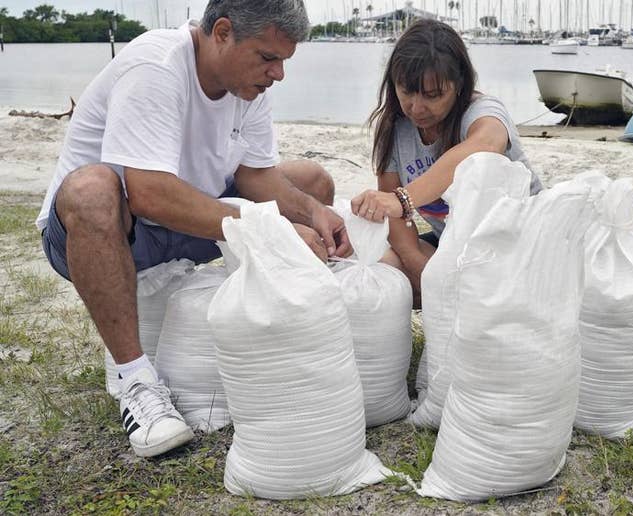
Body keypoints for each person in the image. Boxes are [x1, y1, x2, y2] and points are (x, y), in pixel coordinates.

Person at [35, 0, 350, 458]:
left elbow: (255, 175)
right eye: (268, 58)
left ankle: (300, 333)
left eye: (283, 61)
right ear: (222, 32)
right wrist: (266, 230)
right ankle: (136, 382)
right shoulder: (157, 66)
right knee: (91, 188)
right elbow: (147, 192)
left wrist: (310, 211)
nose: (278, 73)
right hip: (113, 230)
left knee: (311, 183)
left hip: (181, 224)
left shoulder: (247, 86)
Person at [350, 19, 541, 305]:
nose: (416, 107)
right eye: (406, 92)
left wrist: (403, 200)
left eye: (433, 95)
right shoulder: (394, 128)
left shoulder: (482, 112)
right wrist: (417, 265)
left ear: (459, 84)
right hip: (455, 248)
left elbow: (484, 146)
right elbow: (397, 223)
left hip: (520, 245)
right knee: (381, 267)